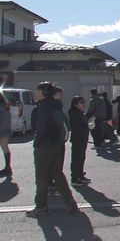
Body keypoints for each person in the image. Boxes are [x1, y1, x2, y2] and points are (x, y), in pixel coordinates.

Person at [27, 82, 78, 217]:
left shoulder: (43, 107)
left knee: (41, 177)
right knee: (57, 173)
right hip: (56, 145)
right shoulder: (56, 105)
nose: (36, 93)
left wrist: (37, 144)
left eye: (38, 91)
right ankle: (70, 201)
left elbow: (41, 129)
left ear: (44, 93)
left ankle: (41, 206)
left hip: (44, 146)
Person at [69, 96, 91, 185]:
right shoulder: (74, 113)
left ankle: (80, 175)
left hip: (83, 138)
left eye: (84, 102)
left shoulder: (81, 113)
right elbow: (77, 127)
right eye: (81, 102)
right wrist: (87, 126)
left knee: (81, 157)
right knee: (76, 158)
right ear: (75, 105)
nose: (83, 104)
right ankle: (75, 178)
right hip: (77, 138)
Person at [0, 93, 12, 178]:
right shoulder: (6, 106)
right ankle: (8, 168)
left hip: (1, 129)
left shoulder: (1, 107)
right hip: (5, 130)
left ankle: (7, 169)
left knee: (5, 148)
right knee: (5, 148)